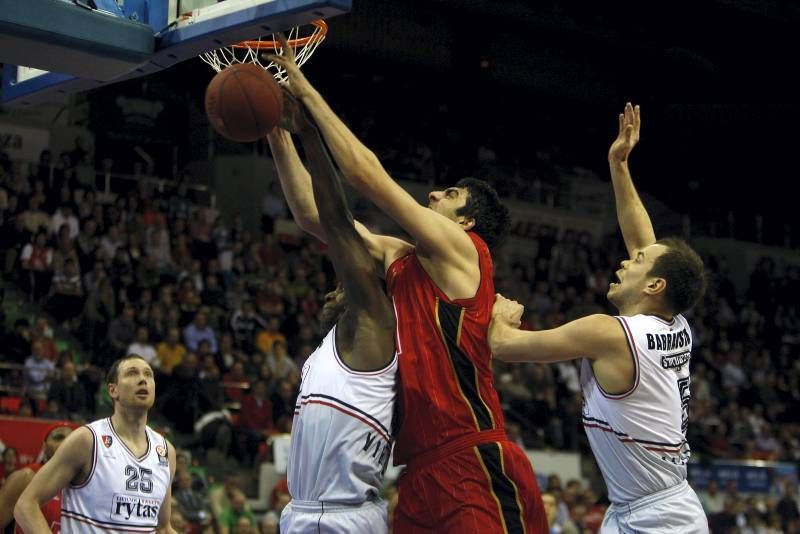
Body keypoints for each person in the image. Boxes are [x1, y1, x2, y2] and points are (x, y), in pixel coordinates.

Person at [268, 38, 547, 532]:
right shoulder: (403, 258)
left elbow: (363, 174)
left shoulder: (467, 253)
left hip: (472, 455)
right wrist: (275, 130)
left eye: (451, 194)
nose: (435, 193)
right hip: (417, 472)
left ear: (466, 223)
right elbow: (317, 217)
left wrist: (304, 92)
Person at [488, 104, 709, 533]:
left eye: (638, 263)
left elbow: (502, 347)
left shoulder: (608, 333)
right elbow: (642, 239)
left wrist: (501, 316)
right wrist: (618, 164)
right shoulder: (675, 324)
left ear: (655, 286)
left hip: (660, 518)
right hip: (642, 508)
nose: (626, 262)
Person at [273, 95, 397, 532]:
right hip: (306, 512)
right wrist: (276, 131)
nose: (334, 287)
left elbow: (335, 220)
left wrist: (308, 132)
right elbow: (311, 215)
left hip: (343, 517)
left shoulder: (377, 319)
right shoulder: (337, 344)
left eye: (345, 280)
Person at [14, 354, 177, 533]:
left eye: (148, 375)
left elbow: (163, 528)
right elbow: (25, 505)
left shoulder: (166, 451)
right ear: (113, 390)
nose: (142, 380)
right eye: (132, 373)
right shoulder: (87, 440)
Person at [0, 423, 74, 533]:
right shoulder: (26, 477)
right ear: (44, 446)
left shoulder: (83, 487)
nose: (66, 442)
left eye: (72, 438)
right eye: (58, 437)